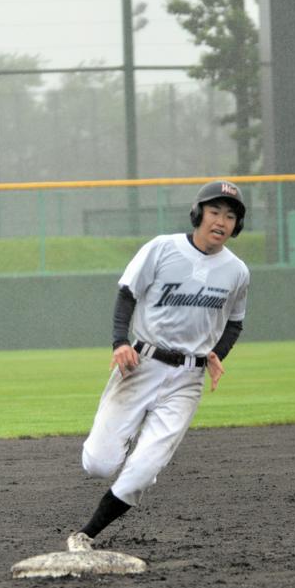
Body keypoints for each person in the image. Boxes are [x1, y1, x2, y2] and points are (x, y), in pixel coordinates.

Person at [67, 180, 250, 552]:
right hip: (142, 365)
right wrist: (119, 342)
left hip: (188, 378)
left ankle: (85, 535)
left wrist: (220, 353)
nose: (221, 221)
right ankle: (128, 439)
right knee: (99, 465)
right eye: (215, 211)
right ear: (199, 213)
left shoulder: (237, 271)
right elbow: (127, 294)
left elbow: (234, 322)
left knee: (143, 471)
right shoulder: (162, 248)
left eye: (230, 216)